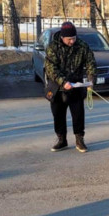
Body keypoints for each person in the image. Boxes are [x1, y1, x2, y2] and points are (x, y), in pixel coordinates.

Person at [44, 21, 97, 153]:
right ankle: (61, 140)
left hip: (76, 85)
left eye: (74, 38)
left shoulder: (82, 46)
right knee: (58, 115)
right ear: (62, 37)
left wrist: (91, 79)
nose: (72, 41)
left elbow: (91, 62)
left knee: (78, 114)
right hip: (57, 87)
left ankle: (79, 140)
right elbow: (50, 68)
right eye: (69, 39)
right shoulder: (52, 47)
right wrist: (63, 82)